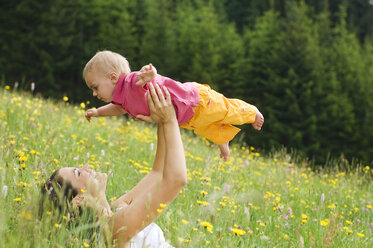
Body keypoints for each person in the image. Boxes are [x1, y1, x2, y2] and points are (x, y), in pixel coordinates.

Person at [42, 84, 186, 247]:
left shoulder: (118, 208)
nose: (86, 167)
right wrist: (170, 120)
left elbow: (157, 173)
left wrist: (162, 116)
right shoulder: (112, 230)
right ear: (79, 200)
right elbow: (175, 180)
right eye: (78, 173)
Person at [83, 50, 264, 161]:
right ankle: (223, 140)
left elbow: (149, 74)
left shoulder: (132, 81)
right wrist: (98, 112)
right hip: (186, 118)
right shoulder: (121, 99)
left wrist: (150, 73)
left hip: (196, 101)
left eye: (95, 87)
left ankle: (250, 111)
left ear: (113, 77)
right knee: (205, 129)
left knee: (226, 110)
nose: (94, 93)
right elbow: (118, 109)